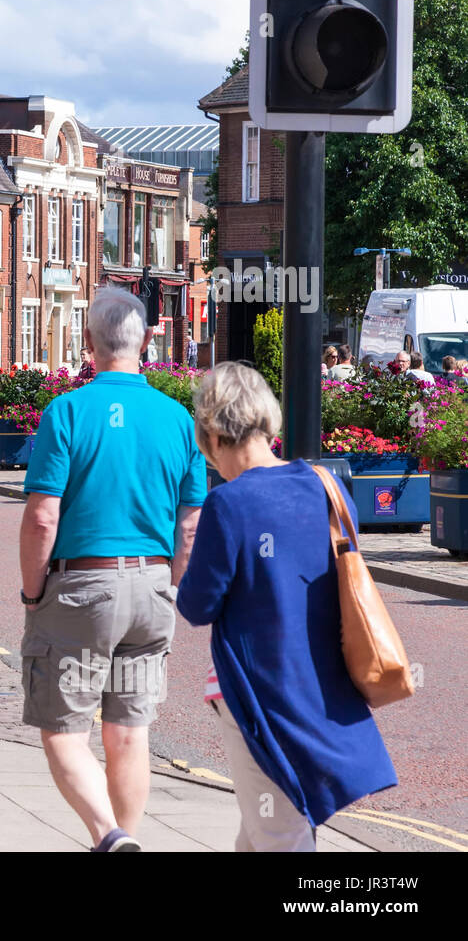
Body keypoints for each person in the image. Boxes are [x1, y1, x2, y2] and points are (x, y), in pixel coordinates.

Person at [176, 362, 397, 851]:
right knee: (261, 834)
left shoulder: (228, 504)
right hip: (326, 688)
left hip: (262, 696)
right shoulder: (328, 486)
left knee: (280, 836)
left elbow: (198, 605)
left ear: (212, 434)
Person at [19, 286, 205, 852]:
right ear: (147, 341)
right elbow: (191, 525)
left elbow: (42, 518)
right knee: (129, 730)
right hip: (152, 587)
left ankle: (108, 836)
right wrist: (170, 584)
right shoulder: (178, 418)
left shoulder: (68, 411)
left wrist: (33, 594)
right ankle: (127, 840)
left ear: (87, 342)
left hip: (80, 588)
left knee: (64, 729)